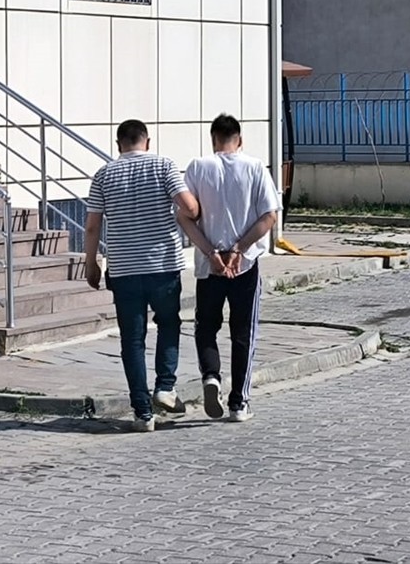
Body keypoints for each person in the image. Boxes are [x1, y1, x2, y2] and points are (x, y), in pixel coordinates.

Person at [84, 120, 199, 432]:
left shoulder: (104, 174)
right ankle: (165, 386)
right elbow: (189, 206)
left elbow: (93, 224)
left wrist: (91, 262)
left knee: (132, 339)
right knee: (169, 323)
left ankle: (142, 413)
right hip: (163, 265)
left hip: (123, 269)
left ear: (118, 143)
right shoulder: (164, 166)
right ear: (147, 141)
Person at [177, 113, 281, 423]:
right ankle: (239, 402)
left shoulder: (198, 167)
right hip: (244, 264)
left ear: (213, 140)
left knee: (206, 326)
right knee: (243, 333)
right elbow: (269, 216)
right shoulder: (254, 167)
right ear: (240, 140)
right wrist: (239, 248)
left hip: (211, 265)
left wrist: (210, 252)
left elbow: (183, 215)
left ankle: (211, 376)